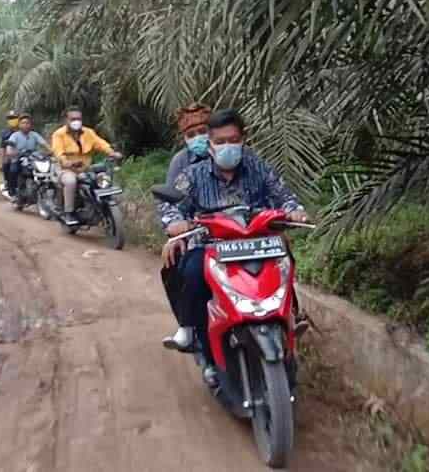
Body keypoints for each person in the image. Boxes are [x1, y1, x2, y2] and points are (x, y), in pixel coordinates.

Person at [157, 109, 309, 381]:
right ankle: (204, 349)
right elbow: (171, 206)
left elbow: (283, 194)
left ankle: (291, 316)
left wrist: (294, 210)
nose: (228, 146)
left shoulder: (258, 167)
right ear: (211, 145)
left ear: (243, 139)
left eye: (233, 139)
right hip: (211, 245)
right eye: (220, 141)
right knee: (192, 274)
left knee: (285, 260)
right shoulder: (193, 174)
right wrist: (175, 223)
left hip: (258, 242)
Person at [158, 103, 212, 343]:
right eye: (191, 135)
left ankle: (292, 312)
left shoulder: (240, 158)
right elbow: (170, 201)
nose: (199, 138)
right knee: (180, 267)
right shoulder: (182, 164)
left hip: (243, 233)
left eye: (204, 131)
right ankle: (188, 325)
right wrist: (176, 230)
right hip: (199, 233)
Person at [51, 108, 122, 226]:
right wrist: (66, 162)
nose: (76, 121)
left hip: (85, 168)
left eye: (78, 119)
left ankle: (98, 207)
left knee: (99, 179)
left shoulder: (88, 132)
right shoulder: (59, 134)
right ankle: (69, 213)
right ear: (66, 120)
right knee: (71, 181)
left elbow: (100, 143)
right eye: (73, 119)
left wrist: (112, 153)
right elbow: (58, 152)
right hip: (66, 169)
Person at [4, 114, 50, 206]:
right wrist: (12, 152)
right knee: (13, 170)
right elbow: (9, 148)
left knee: (45, 172)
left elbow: (44, 144)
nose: (26, 125)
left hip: (32, 158)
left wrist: (51, 151)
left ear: (31, 125)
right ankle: (12, 191)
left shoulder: (34, 135)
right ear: (19, 125)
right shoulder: (15, 135)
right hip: (18, 158)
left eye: (28, 123)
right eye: (23, 123)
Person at [0, 110, 21, 198]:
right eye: (10, 118)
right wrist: (2, 160)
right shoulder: (5, 133)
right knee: (7, 166)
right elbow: (2, 148)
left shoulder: (24, 129)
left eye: (14, 118)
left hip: (25, 155)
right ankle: (10, 187)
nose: (13, 120)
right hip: (11, 156)